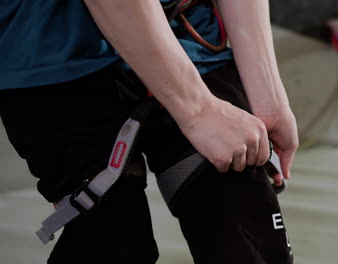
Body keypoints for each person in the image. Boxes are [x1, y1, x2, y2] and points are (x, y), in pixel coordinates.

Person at [0, 0, 298, 263]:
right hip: (55, 51)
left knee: (247, 224)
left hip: (184, 31)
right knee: (112, 243)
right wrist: (199, 111)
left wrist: (268, 97)